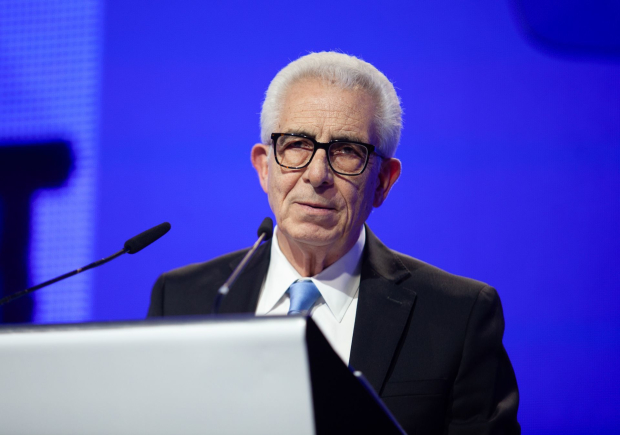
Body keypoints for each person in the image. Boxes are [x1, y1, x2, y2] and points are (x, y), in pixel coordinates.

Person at [148, 52, 520, 434]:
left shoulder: (457, 317)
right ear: (264, 166)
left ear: (383, 182)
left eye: (347, 151)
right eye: (296, 144)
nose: (317, 174)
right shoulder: (181, 300)